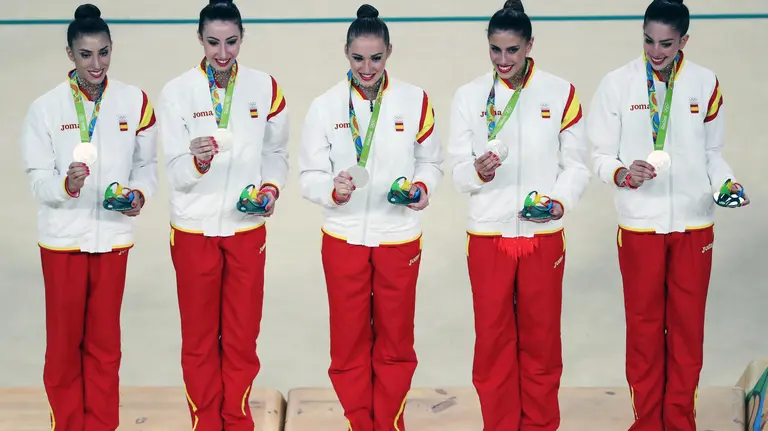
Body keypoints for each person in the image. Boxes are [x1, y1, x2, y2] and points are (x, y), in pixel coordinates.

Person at [588, 0, 749, 430]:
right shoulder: (617, 84)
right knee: (644, 332)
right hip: (640, 225)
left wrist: (726, 184)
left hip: (695, 224)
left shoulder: (705, 82)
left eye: (666, 43)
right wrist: (623, 173)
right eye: (648, 41)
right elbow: (600, 155)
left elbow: (713, 153)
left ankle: (679, 422)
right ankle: (646, 423)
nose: (655, 52)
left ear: (684, 41)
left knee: (686, 331)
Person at [298, 4, 443, 430]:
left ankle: (390, 422)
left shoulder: (415, 101)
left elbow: (430, 162)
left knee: (396, 344)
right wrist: (332, 189)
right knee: (348, 347)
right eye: (358, 58)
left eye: (376, 58)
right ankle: (360, 423)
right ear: (346, 53)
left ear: (389, 52)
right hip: (343, 237)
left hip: (398, 235)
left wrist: (422, 188)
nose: (367, 68)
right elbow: (308, 175)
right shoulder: (325, 106)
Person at [447, 1, 590, 430]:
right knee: (492, 345)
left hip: (541, 235)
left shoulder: (560, 93)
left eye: (512, 50)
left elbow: (576, 165)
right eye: (495, 50)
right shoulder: (469, 96)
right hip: (488, 236)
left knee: (541, 343)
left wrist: (560, 202)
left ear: (530, 45)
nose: (503, 60)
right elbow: (457, 172)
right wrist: (477, 171)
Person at [18, 3, 158, 430]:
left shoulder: (135, 101)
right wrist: (67, 185)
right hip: (63, 241)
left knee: (105, 347)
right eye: (85, 55)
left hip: (113, 238)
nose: (96, 64)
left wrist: (138, 195)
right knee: (64, 348)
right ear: (70, 54)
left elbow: (146, 167)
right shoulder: (45, 108)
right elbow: (38, 180)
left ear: (111, 49)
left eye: (103, 53)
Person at [155, 0, 289, 429]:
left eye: (231, 41)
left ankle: (237, 419)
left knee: (241, 339)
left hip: (245, 229)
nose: (223, 52)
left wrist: (270, 189)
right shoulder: (176, 92)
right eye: (213, 42)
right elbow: (176, 174)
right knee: (199, 343)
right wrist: (197, 162)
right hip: (194, 230)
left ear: (242, 37)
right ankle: (206, 423)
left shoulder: (265, 87)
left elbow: (276, 153)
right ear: (200, 39)